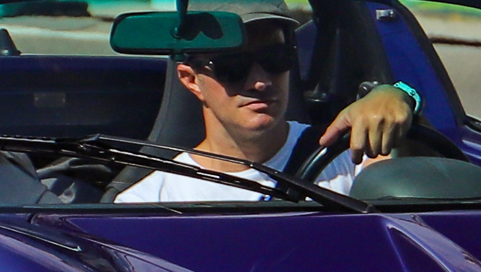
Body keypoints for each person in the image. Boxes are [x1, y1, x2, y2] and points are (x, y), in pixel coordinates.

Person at [115, 15, 418, 205]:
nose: (260, 82)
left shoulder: (349, 156)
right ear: (192, 80)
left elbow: (425, 196)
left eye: (276, 58)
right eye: (233, 67)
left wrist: (401, 96)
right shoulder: (147, 204)